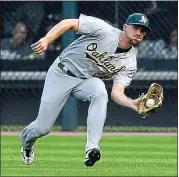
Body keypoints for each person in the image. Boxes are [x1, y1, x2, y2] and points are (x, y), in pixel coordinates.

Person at [20, 13, 151, 167]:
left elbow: (116, 93)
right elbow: (68, 23)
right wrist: (47, 39)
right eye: (136, 27)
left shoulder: (129, 63)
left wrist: (132, 104)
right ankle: (27, 144)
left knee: (100, 91)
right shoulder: (103, 30)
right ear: (125, 27)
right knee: (42, 128)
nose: (138, 33)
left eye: (142, 30)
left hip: (85, 82)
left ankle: (92, 148)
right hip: (62, 73)